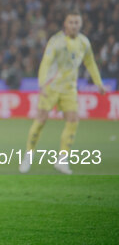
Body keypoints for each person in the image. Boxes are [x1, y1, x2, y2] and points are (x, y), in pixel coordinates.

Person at [19, 11, 106, 174]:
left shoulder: (84, 42)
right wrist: (42, 84)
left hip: (69, 89)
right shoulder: (56, 41)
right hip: (51, 87)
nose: (74, 25)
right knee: (41, 120)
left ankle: (62, 160)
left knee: (73, 120)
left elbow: (90, 63)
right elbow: (46, 62)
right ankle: (28, 156)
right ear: (65, 24)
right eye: (71, 22)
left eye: (77, 22)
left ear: (80, 24)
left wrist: (99, 84)